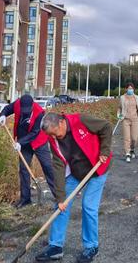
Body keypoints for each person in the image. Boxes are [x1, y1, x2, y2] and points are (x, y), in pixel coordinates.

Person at [35, 112, 112, 263]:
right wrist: (60, 196)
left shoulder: (81, 120)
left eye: (56, 133)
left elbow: (106, 127)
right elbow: (58, 166)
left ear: (61, 123)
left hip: (97, 167)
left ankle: (91, 247)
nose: (55, 137)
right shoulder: (53, 137)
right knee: (61, 205)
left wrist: (104, 150)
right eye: (51, 135)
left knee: (89, 206)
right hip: (77, 171)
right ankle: (55, 246)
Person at [0, 94, 55, 208]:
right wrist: (2, 115)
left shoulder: (39, 113)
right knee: (24, 169)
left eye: (27, 110)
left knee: (47, 167)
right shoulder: (18, 103)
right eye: (23, 109)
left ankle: (59, 196)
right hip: (23, 144)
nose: (25, 112)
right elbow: (7, 109)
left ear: (32, 106)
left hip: (39, 141)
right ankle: (25, 199)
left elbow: (35, 133)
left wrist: (20, 142)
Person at [118, 83, 138, 163]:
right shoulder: (122, 98)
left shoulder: (136, 97)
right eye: (129, 88)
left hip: (135, 119)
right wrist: (119, 115)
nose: (130, 90)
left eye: (131, 89)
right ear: (126, 89)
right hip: (125, 119)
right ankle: (127, 153)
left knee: (134, 138)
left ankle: (132, 149)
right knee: (127, 138)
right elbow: (119, 108)